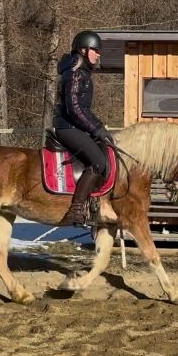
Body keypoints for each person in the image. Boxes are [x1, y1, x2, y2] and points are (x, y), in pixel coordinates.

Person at [53, 30, 113, 226]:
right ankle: (76, 209)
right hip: (68, 127)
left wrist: (100, 127)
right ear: (83, 50)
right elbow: (74, 109)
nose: (98, 54)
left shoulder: (81, 72)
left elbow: (83, 109)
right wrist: (96, 129)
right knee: (98, 162)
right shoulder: (75, 73)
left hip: (76, 125)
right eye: (95, 50)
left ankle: (94, 204)